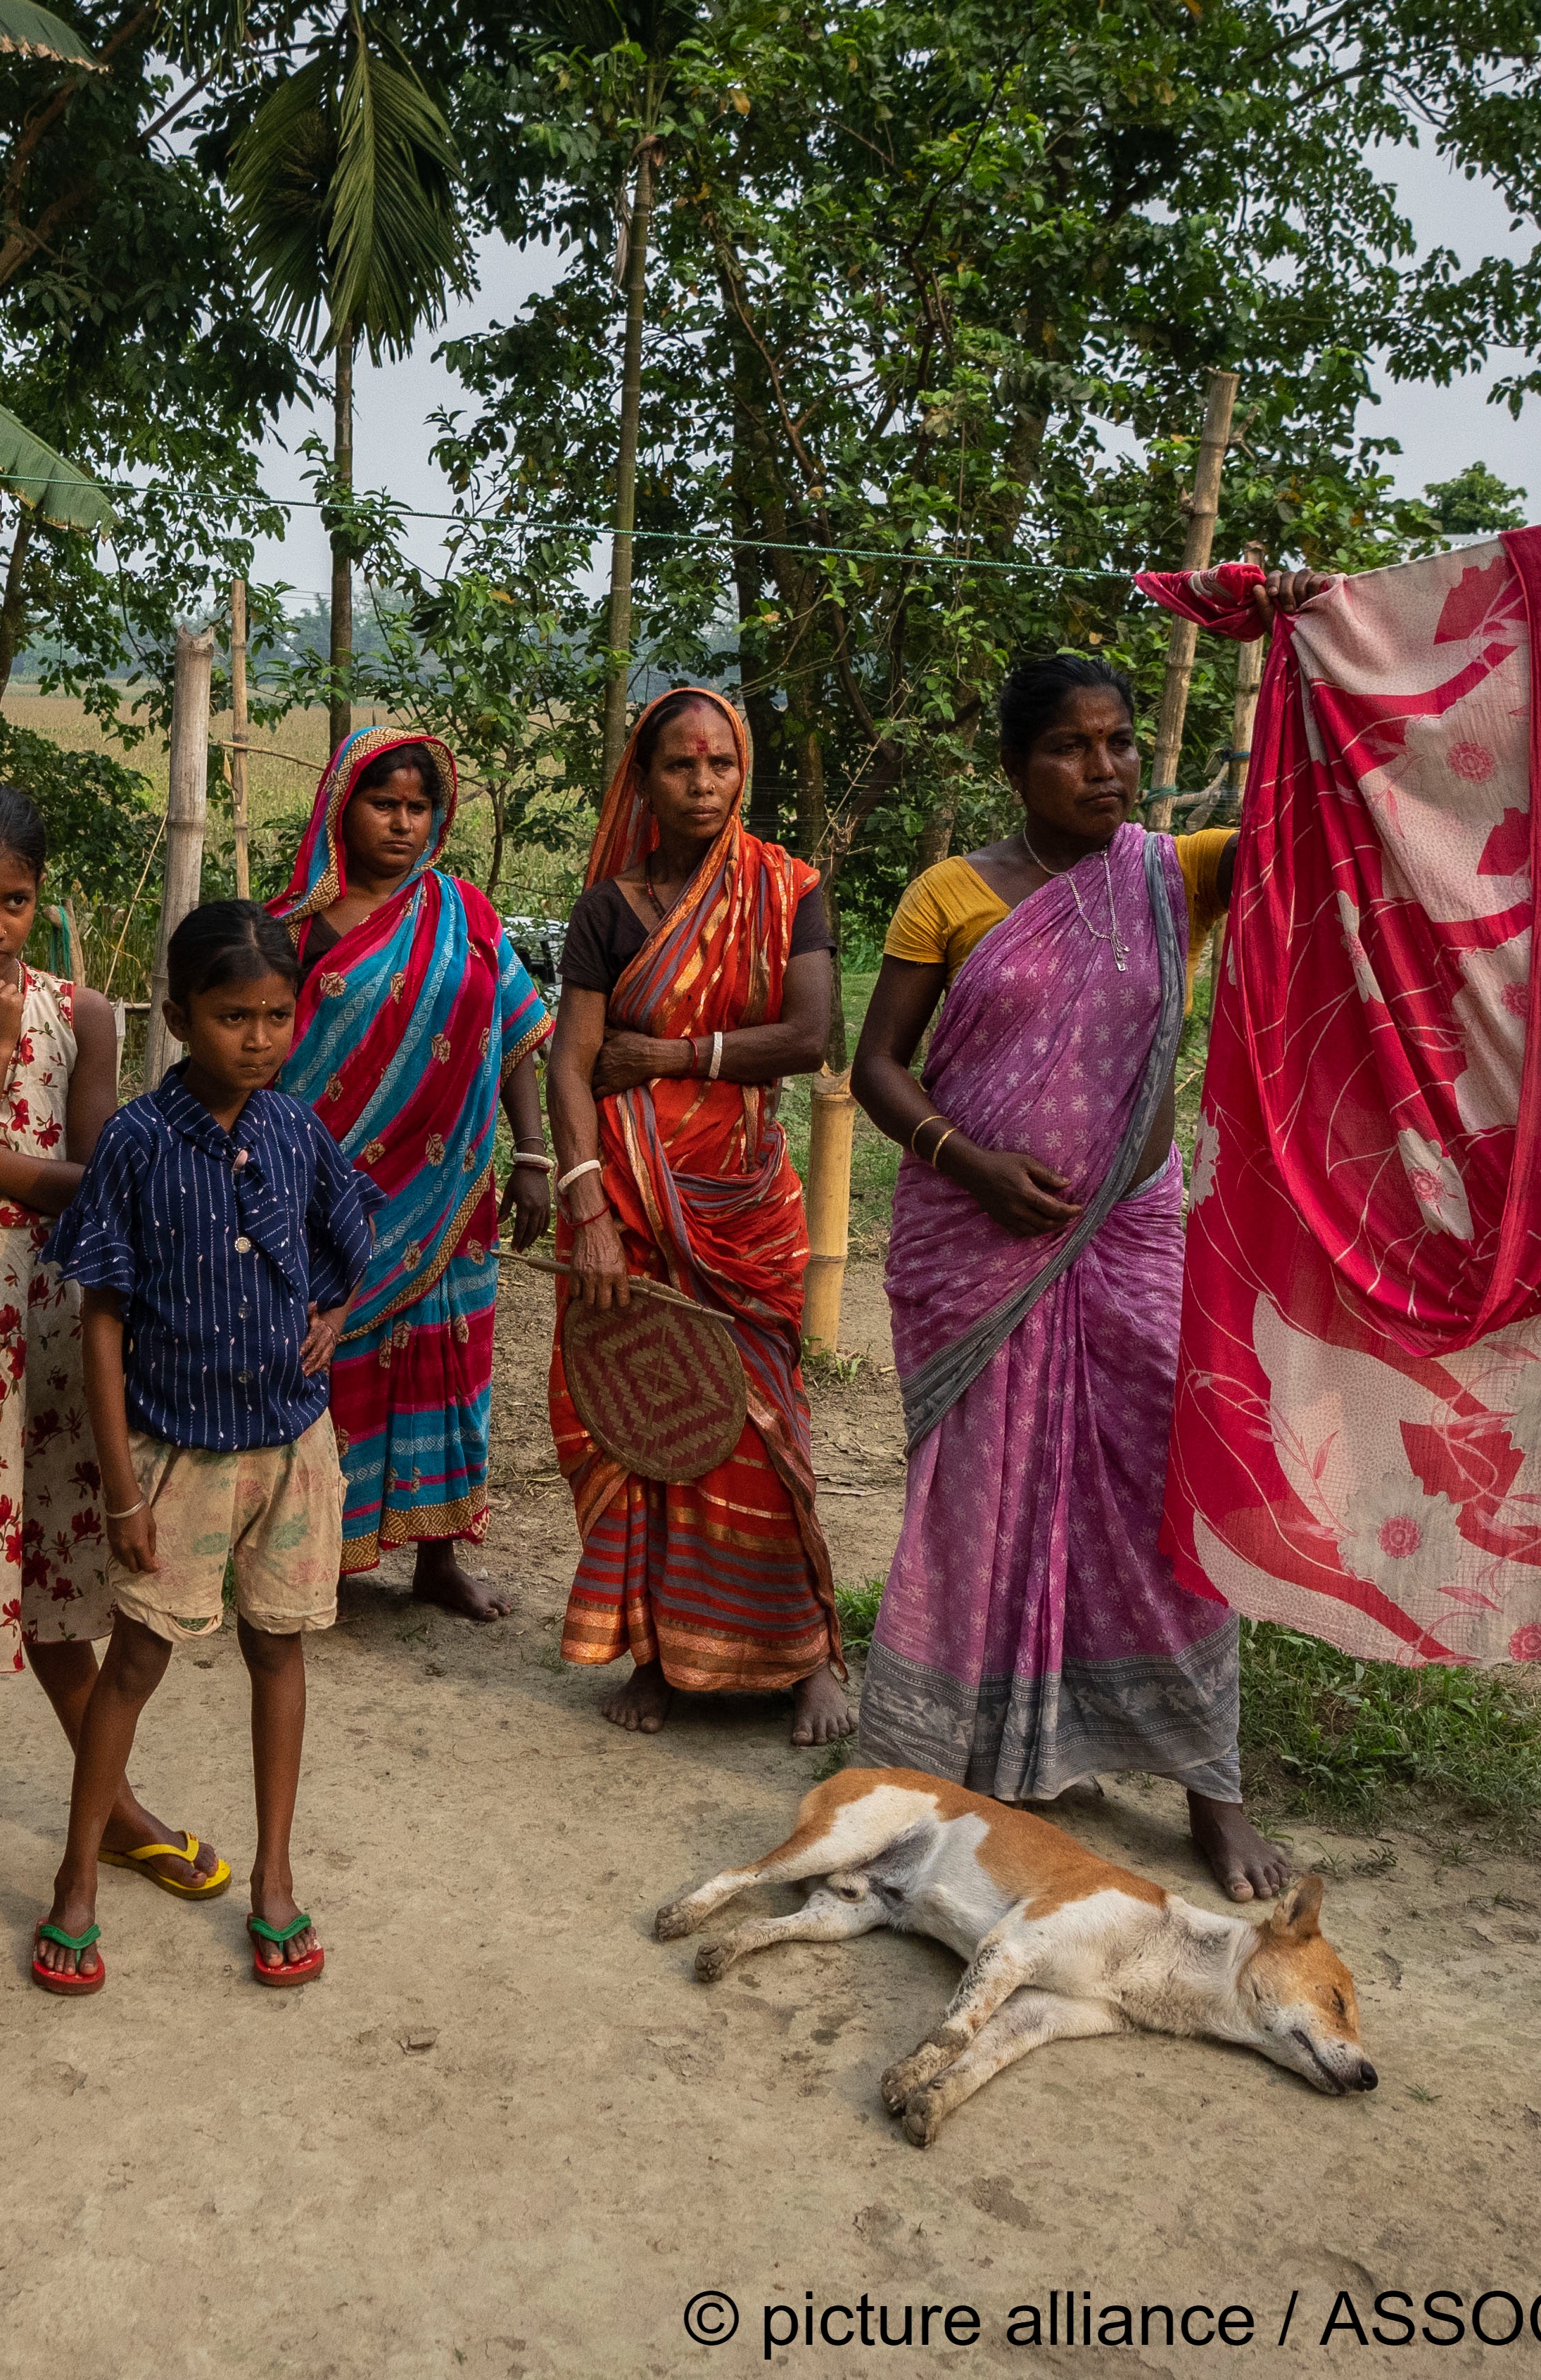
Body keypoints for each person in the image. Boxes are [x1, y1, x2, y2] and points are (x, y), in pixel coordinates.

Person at [846, 632, 1322, 1904]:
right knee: (981, 1499)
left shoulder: (1173, 876)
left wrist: (1299, 645)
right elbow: (876, 1066)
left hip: (1129, 1239)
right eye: (1070, 745)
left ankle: (1209, 1785)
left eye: (1119, 743)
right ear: (1015, 764)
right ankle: (959, 1755)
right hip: (975, 1243)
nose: (1104, 766)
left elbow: (1312, 812)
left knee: (1170, 1487)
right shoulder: (950, 891)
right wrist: (969, 1159)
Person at [0, 782, 230, 1937]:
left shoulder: (90, 1013)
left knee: (61, 1580)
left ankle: (113, 1808)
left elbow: (96, 1175)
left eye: (13, 900)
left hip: (56, 1322)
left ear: (37, 897)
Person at [28, 903, 378, 1995]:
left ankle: (274, 1875)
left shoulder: (293, 1125)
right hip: (176, 1451)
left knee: (281, 1646)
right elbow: (100, 1316)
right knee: (137, 1660)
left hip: (291, 1442)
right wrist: (124, 1489)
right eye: (234, 1016)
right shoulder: (136, 1139)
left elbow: (347, 1226)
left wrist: (332, 1311)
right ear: (179, 1017)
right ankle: (77, 1878)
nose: (260, 1037)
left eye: (277, 1014)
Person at [547, 687, 851, 1745]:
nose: (704, 783)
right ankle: (663, 1652)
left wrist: (677, 1055)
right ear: (644, 776)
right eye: (680, 765)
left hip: (743, 1202)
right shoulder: (609, 909)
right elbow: (571, 1061)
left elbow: (810, 1034)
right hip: (628, 1197)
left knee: (766, 1426)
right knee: (642, 1421)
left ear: (742, 770)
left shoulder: (787, 888)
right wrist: (585, 1201)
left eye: (721, 763)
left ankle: (807, 1650)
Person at [272, 730, 557, 1621]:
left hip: (450, 1192)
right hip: (327, 1203)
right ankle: (315, 1554)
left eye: (418, 808)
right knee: (326, 1364)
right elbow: (259, 1058)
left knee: (448, 1366)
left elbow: (511, 1033)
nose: (401, 823)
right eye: (383, 803)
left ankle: (439, 1560)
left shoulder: (463, 911)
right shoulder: (295, 926)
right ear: (340, 807)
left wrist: (535, 1154)